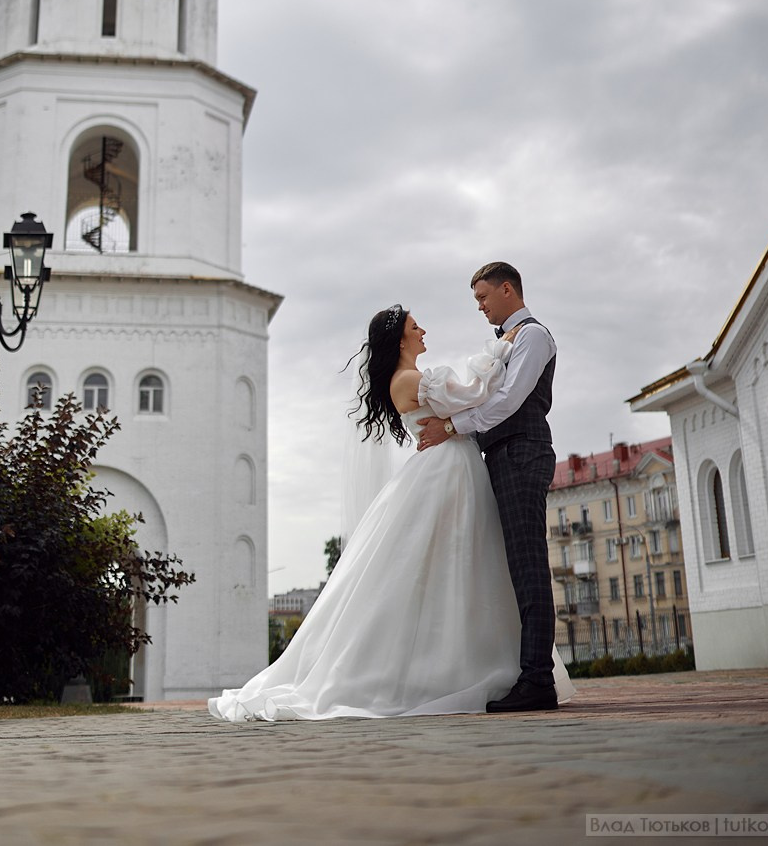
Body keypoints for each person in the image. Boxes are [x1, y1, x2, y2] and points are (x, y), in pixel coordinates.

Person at [208, 304, 572, 722]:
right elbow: (475, 393)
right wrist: (498, 352)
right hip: (448, 470)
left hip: (453, 465)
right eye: (416, 327)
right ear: (400, 340)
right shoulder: (411, 380)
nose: (423, 331)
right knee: (453, 560)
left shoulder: (411, 378)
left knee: (458, 562)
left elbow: (466, 402)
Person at [417, 262, 558, 713]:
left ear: (507, 289)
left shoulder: (533, 336)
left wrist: (452, 427)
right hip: (500, 453)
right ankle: (522, 672)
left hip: (522, 452)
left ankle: (538, 680)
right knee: (510, 566)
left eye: (483, 297)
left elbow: (509, 399)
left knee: (528, 565)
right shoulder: (507, 340)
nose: (480, 306)